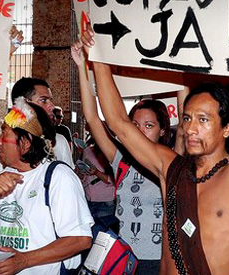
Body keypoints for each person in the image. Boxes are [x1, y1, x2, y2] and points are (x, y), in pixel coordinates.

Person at [79, 0, 229, 272]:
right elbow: (119, 124)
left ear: (227, 128)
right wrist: (98, 57)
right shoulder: (171, 169)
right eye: (187, 118)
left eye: (203, 120)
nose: (191, 128)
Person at [72, 41, 182, 273]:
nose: (140, 131)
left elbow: (182, 126)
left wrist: (180, 68)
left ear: (163, 130)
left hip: (160, 262)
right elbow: (92, 118)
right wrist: (83, 65)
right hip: (122, 258)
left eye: (149, 125)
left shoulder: (171, 160)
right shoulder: (119, 159)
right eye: (134, 125)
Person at [0, 99, 93, 274]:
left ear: (25, 143)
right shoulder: (3, 176)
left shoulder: (58, 177)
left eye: (5, 134)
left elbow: (80, 239)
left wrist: (23, 261)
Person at [0, 77, 75, 196]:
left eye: (50, 100)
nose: (52, 106)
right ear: (24, 104)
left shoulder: (60, 142)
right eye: (43, 100)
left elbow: (69, 191)